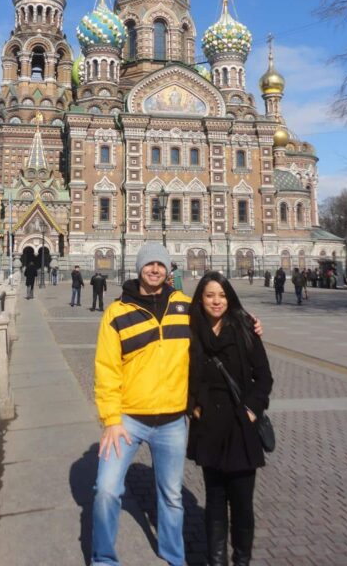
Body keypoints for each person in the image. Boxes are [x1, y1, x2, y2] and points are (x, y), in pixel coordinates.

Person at [91, 243, 264, 566]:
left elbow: (219, 316)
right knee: (105, 489)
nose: (155, 269)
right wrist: (111, 419)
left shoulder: (185, 307)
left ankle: (174, 557)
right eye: (149, 264)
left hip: (172, 420)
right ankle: (103, 560)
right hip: (128, 418)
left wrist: (249, 322)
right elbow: (106, 369)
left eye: (161, 264)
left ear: (168, 270)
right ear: (139, 268)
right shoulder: (116, 312)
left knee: (171, 497)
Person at [187, 273, 273, 566]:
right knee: (213, 502)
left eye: (221, 295)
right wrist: (193, 408)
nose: (216, 301)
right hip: (209, 426)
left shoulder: (245, 328)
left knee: (242, 504)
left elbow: (264, 378)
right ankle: (216, 561)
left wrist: (251, 411)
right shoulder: (192, 330)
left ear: (229, 298)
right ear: (200, 298)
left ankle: (242, 560)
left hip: (240, 427)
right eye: (210, 295)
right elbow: (177, 372)